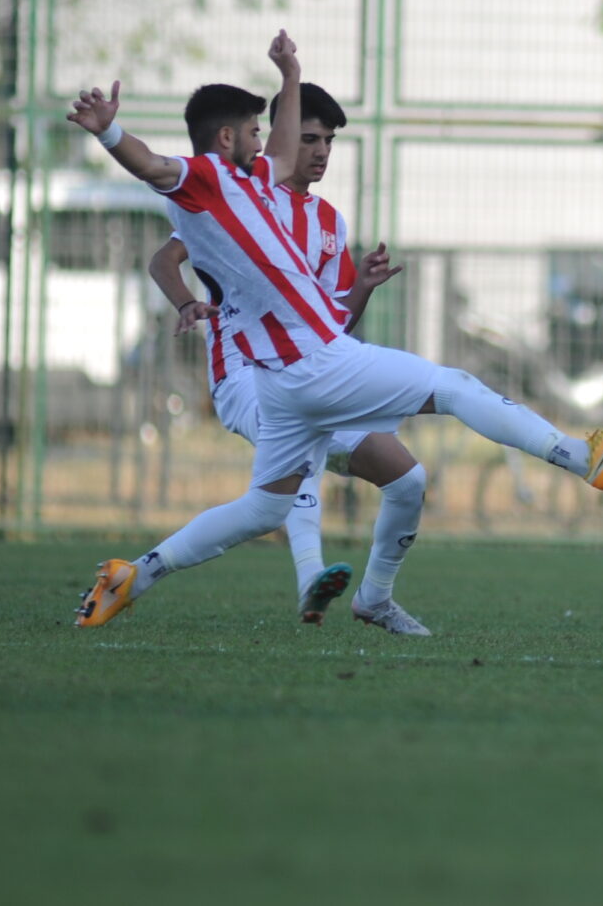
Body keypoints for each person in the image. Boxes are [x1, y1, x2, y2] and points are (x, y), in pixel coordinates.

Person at [68, 32, 603, 630]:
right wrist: (108, 133)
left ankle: (136, 574)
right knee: (456, 385)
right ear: (227, 138)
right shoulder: (204, 179)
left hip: (285, 382)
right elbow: (152, 165)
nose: (268, 143)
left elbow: (282, 157)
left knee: (264, 506)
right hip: (311, 362)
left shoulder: (256, 182)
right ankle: (580, 456)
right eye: (253, 132)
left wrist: (290, 74)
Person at [149, 80, 435, 634]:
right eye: (307, 138)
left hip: (312, 372)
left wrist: (365, 288)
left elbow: (332, 324)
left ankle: (374, 599)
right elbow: (165, 259)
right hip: (244, 373)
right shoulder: (242, 193)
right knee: (301, 451)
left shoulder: (331, 223)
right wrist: (188, 303)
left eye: (328, 140)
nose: (321, 151)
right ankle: (311, 576)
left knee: (408, 481)